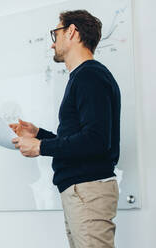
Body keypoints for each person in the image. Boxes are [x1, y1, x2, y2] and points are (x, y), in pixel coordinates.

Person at [10, 10, 121, 248]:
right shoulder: (83, 77)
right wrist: (38, 133)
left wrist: (40, 146)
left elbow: (95, 140)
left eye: (56, 34)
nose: (52, 44)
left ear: (72, 32)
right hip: (81, 192)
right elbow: (79, 139)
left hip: (88, 191)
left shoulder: (89, 76)